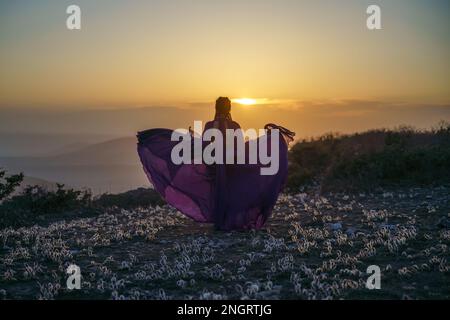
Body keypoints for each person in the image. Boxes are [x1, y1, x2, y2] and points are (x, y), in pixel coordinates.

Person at [137, 97, 294, 231]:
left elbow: (206, 149)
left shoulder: (209, 126)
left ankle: (222, 221)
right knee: (234, 189)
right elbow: (239, 149)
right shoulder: (235, 126)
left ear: (216, 108)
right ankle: (232, 220)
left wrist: (195, 143)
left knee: (219, 188)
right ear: (229, 109)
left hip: (215, 166)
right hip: (232, 166)